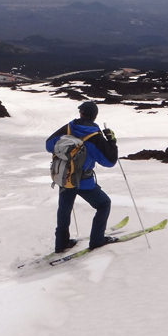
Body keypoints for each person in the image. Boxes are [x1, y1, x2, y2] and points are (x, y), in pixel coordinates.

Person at [45, 101, 119, 253]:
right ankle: (97, 241)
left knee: (64, 210)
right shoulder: (95, 136)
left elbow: (48, 145)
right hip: (84, 182)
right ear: (95, 116)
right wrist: (111, 141)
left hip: (64, 177)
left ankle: (62, 243)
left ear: (81, 113)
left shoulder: (68, 128)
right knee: (104, 204)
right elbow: (110, 161)